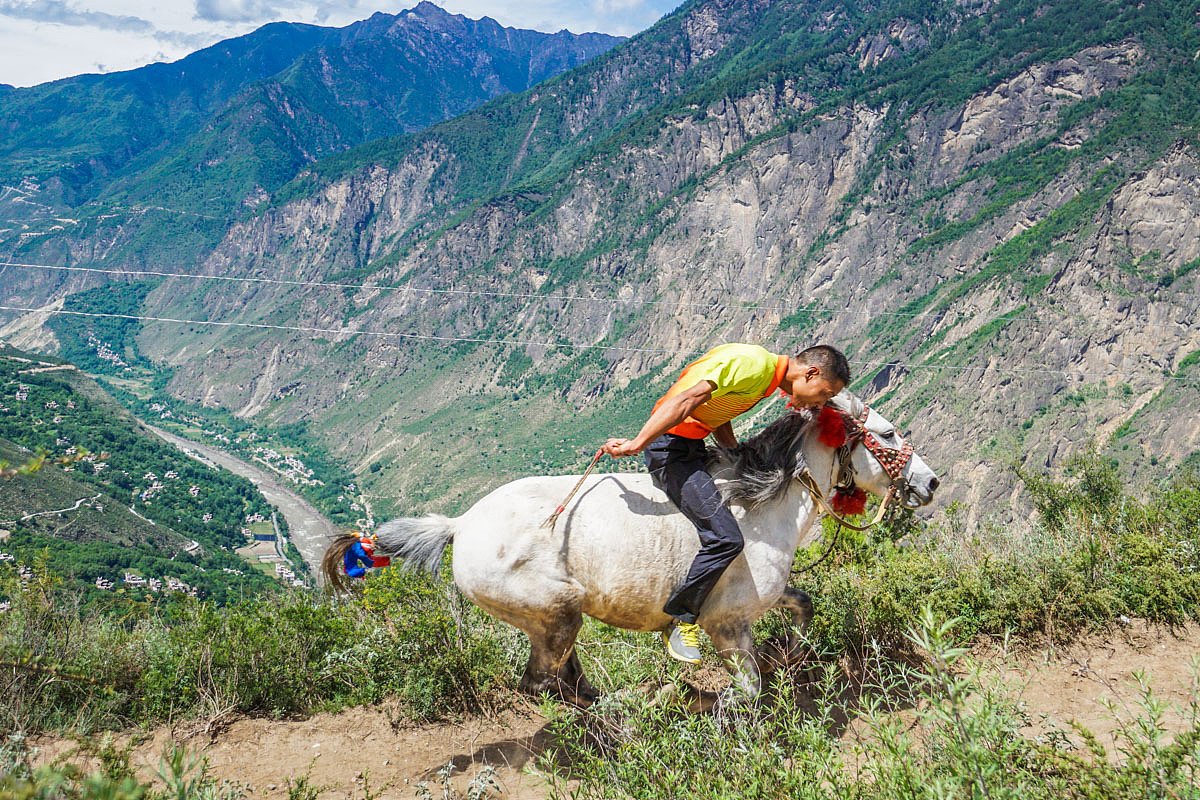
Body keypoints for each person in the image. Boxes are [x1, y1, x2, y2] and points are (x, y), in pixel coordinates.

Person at [602, 343, 850, 663]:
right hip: (671, 451)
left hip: (690, 446)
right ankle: (681, 618)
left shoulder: (765, 378)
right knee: (726, 537)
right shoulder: (754, 366)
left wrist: (735, 454)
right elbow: (686, 399)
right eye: (824, 392)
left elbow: (717, 411)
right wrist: (637, 444)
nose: (821, 402)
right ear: (811, 373)